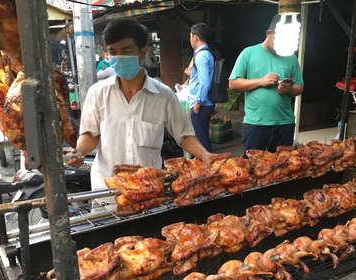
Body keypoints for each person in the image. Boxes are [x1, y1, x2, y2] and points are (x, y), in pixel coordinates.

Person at [66, 19, 216, 202]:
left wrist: (204, 154)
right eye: (113, 52)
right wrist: (79, 153)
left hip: (149, 193)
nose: (119, 57)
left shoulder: (164, 96)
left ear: (143, 52)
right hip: (107, 193)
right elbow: (90, 135)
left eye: (126, 50)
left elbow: (184, 135)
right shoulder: (97, 93)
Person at [229, 14, 304, 154]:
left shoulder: (291, 58)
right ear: (268, 33)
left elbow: (299, 87)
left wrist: (287, 89)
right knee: (252, 171)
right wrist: (260, 81)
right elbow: (233, 83)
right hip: (256, 125)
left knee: (284, 170)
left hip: (285, 124)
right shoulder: (248, 53)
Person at [189, 23, 214, 152]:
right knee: (202, 138)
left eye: (190, 36)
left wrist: (197, 103)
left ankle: (208, 168)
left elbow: (205, 83)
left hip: (201, 104)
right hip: (203, 103)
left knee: (202, 141)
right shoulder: (205, 53)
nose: (190, 40)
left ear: (196, 38)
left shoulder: (201, 56)